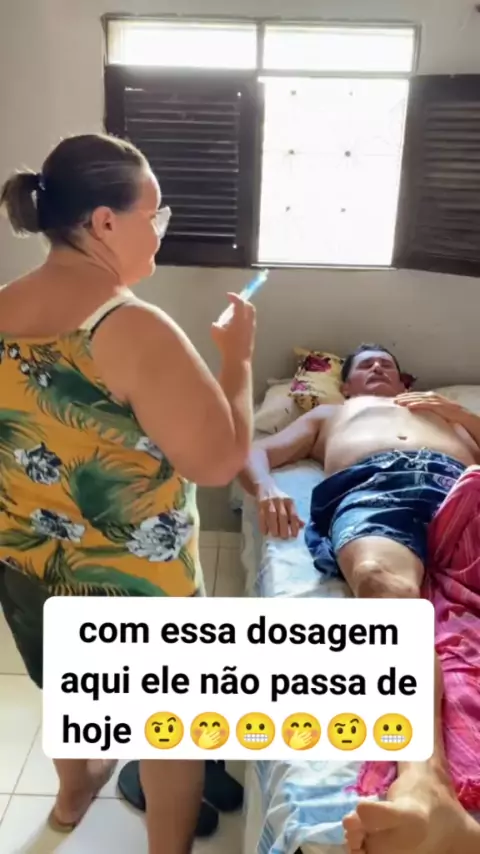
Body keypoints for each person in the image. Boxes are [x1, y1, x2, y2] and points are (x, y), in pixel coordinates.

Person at [0, 133, 255, 854]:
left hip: (28, 566)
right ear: (106, 222)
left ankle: (73, 792)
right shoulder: (131, 326)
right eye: (155, 214)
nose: (161, 231)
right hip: (137, 584)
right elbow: (218, 461)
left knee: (68, 689)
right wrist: (237, 362)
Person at [240, 344, 480, 854]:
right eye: (364, 365)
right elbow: (256, 452)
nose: (376, 367)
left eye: (386, 363)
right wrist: (265, 489)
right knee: (377, 582)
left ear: (405, 379)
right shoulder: (331, 414)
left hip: (461, 487)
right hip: (375, 488)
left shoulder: (447, 413)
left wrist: (461, 416)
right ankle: (426, 786)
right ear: (345, 385)